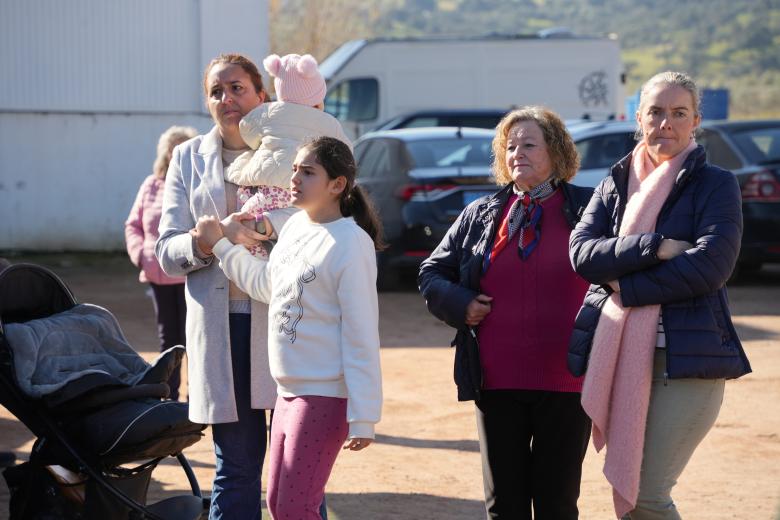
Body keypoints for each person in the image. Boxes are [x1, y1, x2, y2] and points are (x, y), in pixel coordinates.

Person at [568, 71, 751, 519]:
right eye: (656, 112)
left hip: (686, 364)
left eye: (678, 113)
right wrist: (655, 247)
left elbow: (711, 266)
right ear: (639, 118)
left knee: (646, 495)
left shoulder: (716, 184)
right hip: (622, 359)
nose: (665, 123)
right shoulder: (615, 183)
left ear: (695, 122)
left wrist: (625, 285)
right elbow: (581, 253)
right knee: (631, 502)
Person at [418, 107, 595, 519]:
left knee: (558, 503)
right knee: (504, 506)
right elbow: (432, 272)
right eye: (510, 146)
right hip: (496, 379)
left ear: (556, 151)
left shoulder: (590, 209)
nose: (518, 153)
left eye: (529, 144)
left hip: (569, 379)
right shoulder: (482, 213)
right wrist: (461, 304)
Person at [194, 136, 383, 520]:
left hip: (323, 396)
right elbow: (267, 286)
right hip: (287, 393)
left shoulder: (352, 243)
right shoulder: (295, 227)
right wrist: (222, 248)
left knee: (296, 509)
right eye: (294, 169)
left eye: (308, 172)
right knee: (281, 506)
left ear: (337, 184)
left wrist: (364, 415)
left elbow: (361, 334)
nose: (294, 178)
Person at [155, 53, 290, 520]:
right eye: (216, 91)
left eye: (237, 88)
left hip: (288, 325)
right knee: (236, 465)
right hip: (221, 330)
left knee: (296, 468)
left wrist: (269, 228)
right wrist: (207, 238)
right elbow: (166, 252)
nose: (227, 99)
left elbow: (322, 227)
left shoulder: (291, 151)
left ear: (261, 95)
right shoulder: (187, 159)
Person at [225, 53, 350, 258]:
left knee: (248, 227)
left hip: (268, 191)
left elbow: (245, 128)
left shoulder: (267, 112)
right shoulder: (328, 122)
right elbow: (346, 153)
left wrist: (259, 143)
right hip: (304, 191)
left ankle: (255, 263)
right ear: (318, 100)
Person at [125, 125, 197, 401]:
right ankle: (170, 396)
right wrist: (141, 255)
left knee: (194, 338)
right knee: (169, 340)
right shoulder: (151, 184)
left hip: (191, 273)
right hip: (157, 274)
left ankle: (196, 399)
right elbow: (133, 224)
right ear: (165, 151)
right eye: (172, 145)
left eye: (182, 145)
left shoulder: (196, 183)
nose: (175, 151)